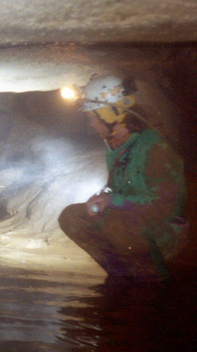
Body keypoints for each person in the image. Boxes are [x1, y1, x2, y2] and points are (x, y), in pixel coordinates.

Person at [58, 75, 188, 280]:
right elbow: (118, 187)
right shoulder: (115, 146)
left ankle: (150, 281)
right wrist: (104, 196)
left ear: (108, 115)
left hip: (165, 229)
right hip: (132, 220)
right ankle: (120, 275)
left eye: (92, 117)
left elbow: (164, 207)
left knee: (115, 223)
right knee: (72, 217)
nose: (90, 124)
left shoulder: (153, 148)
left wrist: (114, 201)